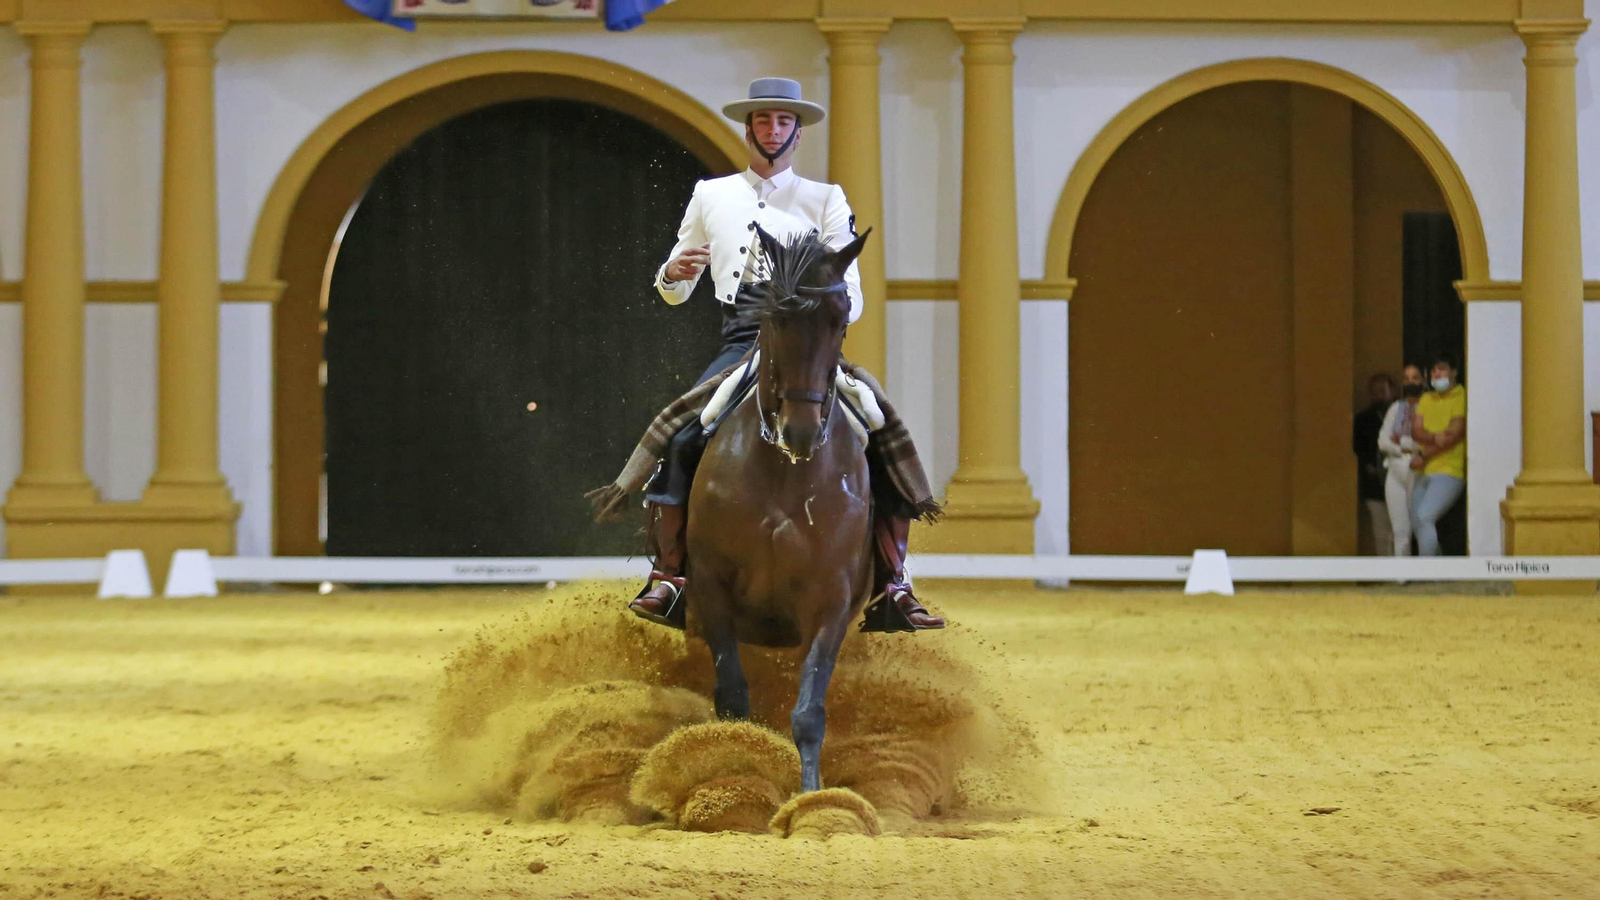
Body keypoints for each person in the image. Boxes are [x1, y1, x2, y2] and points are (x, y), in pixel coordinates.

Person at [594, 77, 945, 632]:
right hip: (742, 338)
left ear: (796, 133)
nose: (772, 129)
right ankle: (670, 575)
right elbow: (675, 286)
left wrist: (812, 306)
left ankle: (894, 582)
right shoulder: (711, 194)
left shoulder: (826, 199)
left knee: (877, 424)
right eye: (763, 120)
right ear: (750, 128)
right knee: (685, 434)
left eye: (783, 121)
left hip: (809, 342)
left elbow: (851, 293)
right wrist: (671, 272)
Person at [1409, 356, 1466, 556]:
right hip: (1423, 472)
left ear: (1453, 371)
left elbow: (1454, 435)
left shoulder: (1462, 396)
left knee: (1425, 517)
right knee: (1417, 521)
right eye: (1433, 371)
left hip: (1449, 471)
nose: (1437, 374)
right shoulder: (1426, 398)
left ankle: (1429, 572)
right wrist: (1436, 436)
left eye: (1441, 369)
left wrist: (1424, 453)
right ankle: (1438, 570)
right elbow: (1416, 431)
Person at [1377, 365, 1425, 555]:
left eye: (1415, 377)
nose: (1410, 382)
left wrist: (1401, 442)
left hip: (1418, 470)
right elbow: (1382, 441)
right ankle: (1401, 576)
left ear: (1423, 380)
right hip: (1395, 471)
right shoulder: (1396, 407)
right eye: (1406, 378)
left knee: (1422, 526)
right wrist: (1401, 446)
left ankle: (1432, 573)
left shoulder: (1429, 407)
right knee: (1400, 530)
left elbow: (1423, 442)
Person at [1353, 373, 1395, 554]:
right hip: (1374, 484)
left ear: (1391, 392)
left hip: (1398, 479)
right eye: (1375, 392)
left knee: (1399, 531)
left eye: (1382, 391)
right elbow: (1358, 449)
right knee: (1380, 531)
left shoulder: (1400, 415)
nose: (1379, 395)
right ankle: (1385, 571)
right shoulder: (1362, 419)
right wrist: (1368, 465)